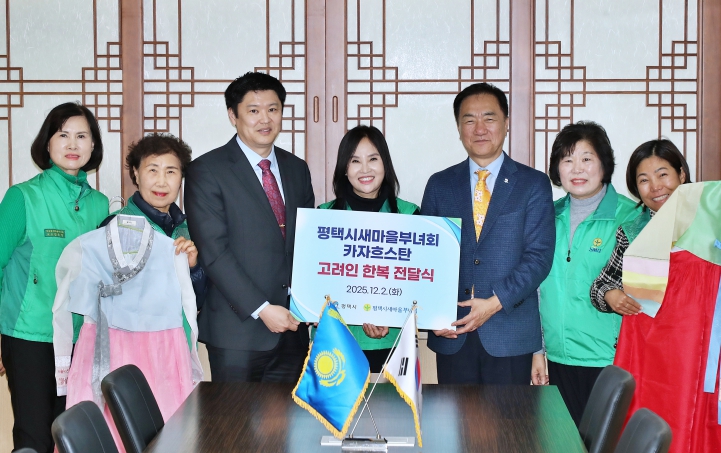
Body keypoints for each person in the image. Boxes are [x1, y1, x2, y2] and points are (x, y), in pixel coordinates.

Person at [420, 82, 555, 385]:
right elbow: (427, 260)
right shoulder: (440, 185)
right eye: (469, 120)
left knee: (509, 418)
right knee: (453, 417)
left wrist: (493, 303)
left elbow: (539, 258)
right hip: (452, 332)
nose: (479, 128)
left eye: (489, 118)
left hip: (510, 333)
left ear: (506, 123)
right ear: (459, 128)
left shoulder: (533, 184)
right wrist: (434, 315)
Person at [184, 71, 315, 382]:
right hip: (237, 334)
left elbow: (308, 244)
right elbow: (214, 253)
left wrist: (310, 304)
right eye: (253, 110)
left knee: (290, 415)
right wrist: (262, 308)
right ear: (233, 115)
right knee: (234, 415)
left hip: (292, 330)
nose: (265, 119)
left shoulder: (297, 169)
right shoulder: (207, 170)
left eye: (273, 109)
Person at [0, 102, 108, 453]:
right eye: (63, 135)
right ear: (47, 143)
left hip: (81, 337)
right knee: (34, 436)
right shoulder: (22, 197)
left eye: (82, 136)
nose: (73, 144)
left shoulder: (100, 205)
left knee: (75, 437)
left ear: (93, 146)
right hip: (30, 336)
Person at [536, 122, 640, 426]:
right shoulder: (546, 216)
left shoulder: (631, 217)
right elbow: (534, 289)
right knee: (561, 443)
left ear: (604, 164)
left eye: (586, 158)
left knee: (605, 444)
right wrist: (537, 350)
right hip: (555, 358)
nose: (577, 169)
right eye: (567, 160)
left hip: (610, 361)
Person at [318, 125, 419, 372]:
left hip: (394, 342)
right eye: (355, 161)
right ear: (344, 168)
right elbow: (316, 283)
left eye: (373, 159)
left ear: (385, 164)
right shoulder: (323, 216)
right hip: (335, 342)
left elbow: (418, 284)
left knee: (390, 400)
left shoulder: (411, 215)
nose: (365, 169)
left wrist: (389, 315)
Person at [100, 133, 207, 310]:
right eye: (153, 170)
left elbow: (199, 302)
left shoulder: (188, 229)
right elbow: (101, 293)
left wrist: (193, 268)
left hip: (179, 328)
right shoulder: (115, 226)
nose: (161, 182)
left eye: (170, 172)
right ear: (136, 173)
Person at [590, 139, 690, 314]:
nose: (655, 187)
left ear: (681, 175)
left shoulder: (711, 217)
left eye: (662, 175)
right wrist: (610, 294)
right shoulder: (632, 232)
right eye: (644, 180)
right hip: (657, 327)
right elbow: (600, 285)